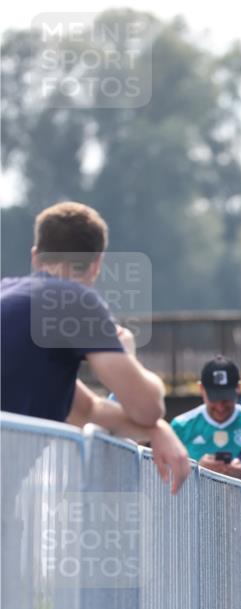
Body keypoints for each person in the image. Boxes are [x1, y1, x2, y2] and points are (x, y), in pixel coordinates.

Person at [0, 200, 190, 494]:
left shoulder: (7, 294)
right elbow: (147, 407)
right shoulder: (75, 300)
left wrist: (158, 430)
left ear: (36, 257)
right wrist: (126, 350)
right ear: (97, 263)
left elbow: (87, 411)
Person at [171, 356, 241, 491]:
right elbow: (163, 482)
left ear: (238, 388)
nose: (220, 407)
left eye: (226, 399)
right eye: (214, 398)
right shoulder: (181, 426)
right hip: (193, 511)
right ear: (201, 389)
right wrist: (198, 471)